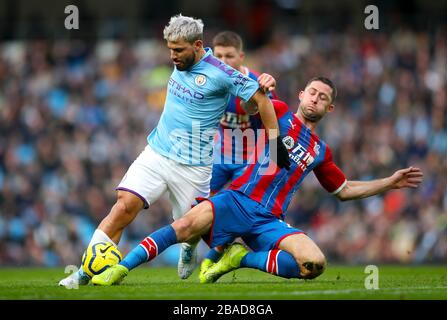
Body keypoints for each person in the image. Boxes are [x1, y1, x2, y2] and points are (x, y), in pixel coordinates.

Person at [90, 76, 423, 286]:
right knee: (183, 227)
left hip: (270, 219)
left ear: (330, 108)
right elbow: (250, 103)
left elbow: (344, 190)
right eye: (312, 93)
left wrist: (389, 182)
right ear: (302, 94)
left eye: (323, 97)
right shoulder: (278, 111)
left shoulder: (322, 151)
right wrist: (260, 86)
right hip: (235, 199)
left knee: (314, 264)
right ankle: (120, 269)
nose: (316, 99)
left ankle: (238, 258)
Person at [58, 14, 290, 287]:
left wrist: (274, 142)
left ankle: (189, 249)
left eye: (178, 50)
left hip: (194, 167)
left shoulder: (222, 73)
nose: (173, 56)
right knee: (124, 206)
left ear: (197, 45)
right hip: (157, 152)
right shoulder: (182, 59)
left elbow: (259, 101)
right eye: (170, 49)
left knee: (190, 229)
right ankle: (83, 274)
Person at [200, 31, 279, 276]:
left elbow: (272, 121)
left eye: (229, 56)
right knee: (197, 202)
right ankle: (192, 247)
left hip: (249, 160)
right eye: (218, 55)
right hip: (220, 157)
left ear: (241, 56)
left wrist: (275, 154)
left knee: (239, 208)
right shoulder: (209, 82)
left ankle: (215, 255)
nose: (223, 60)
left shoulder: (258, 86)